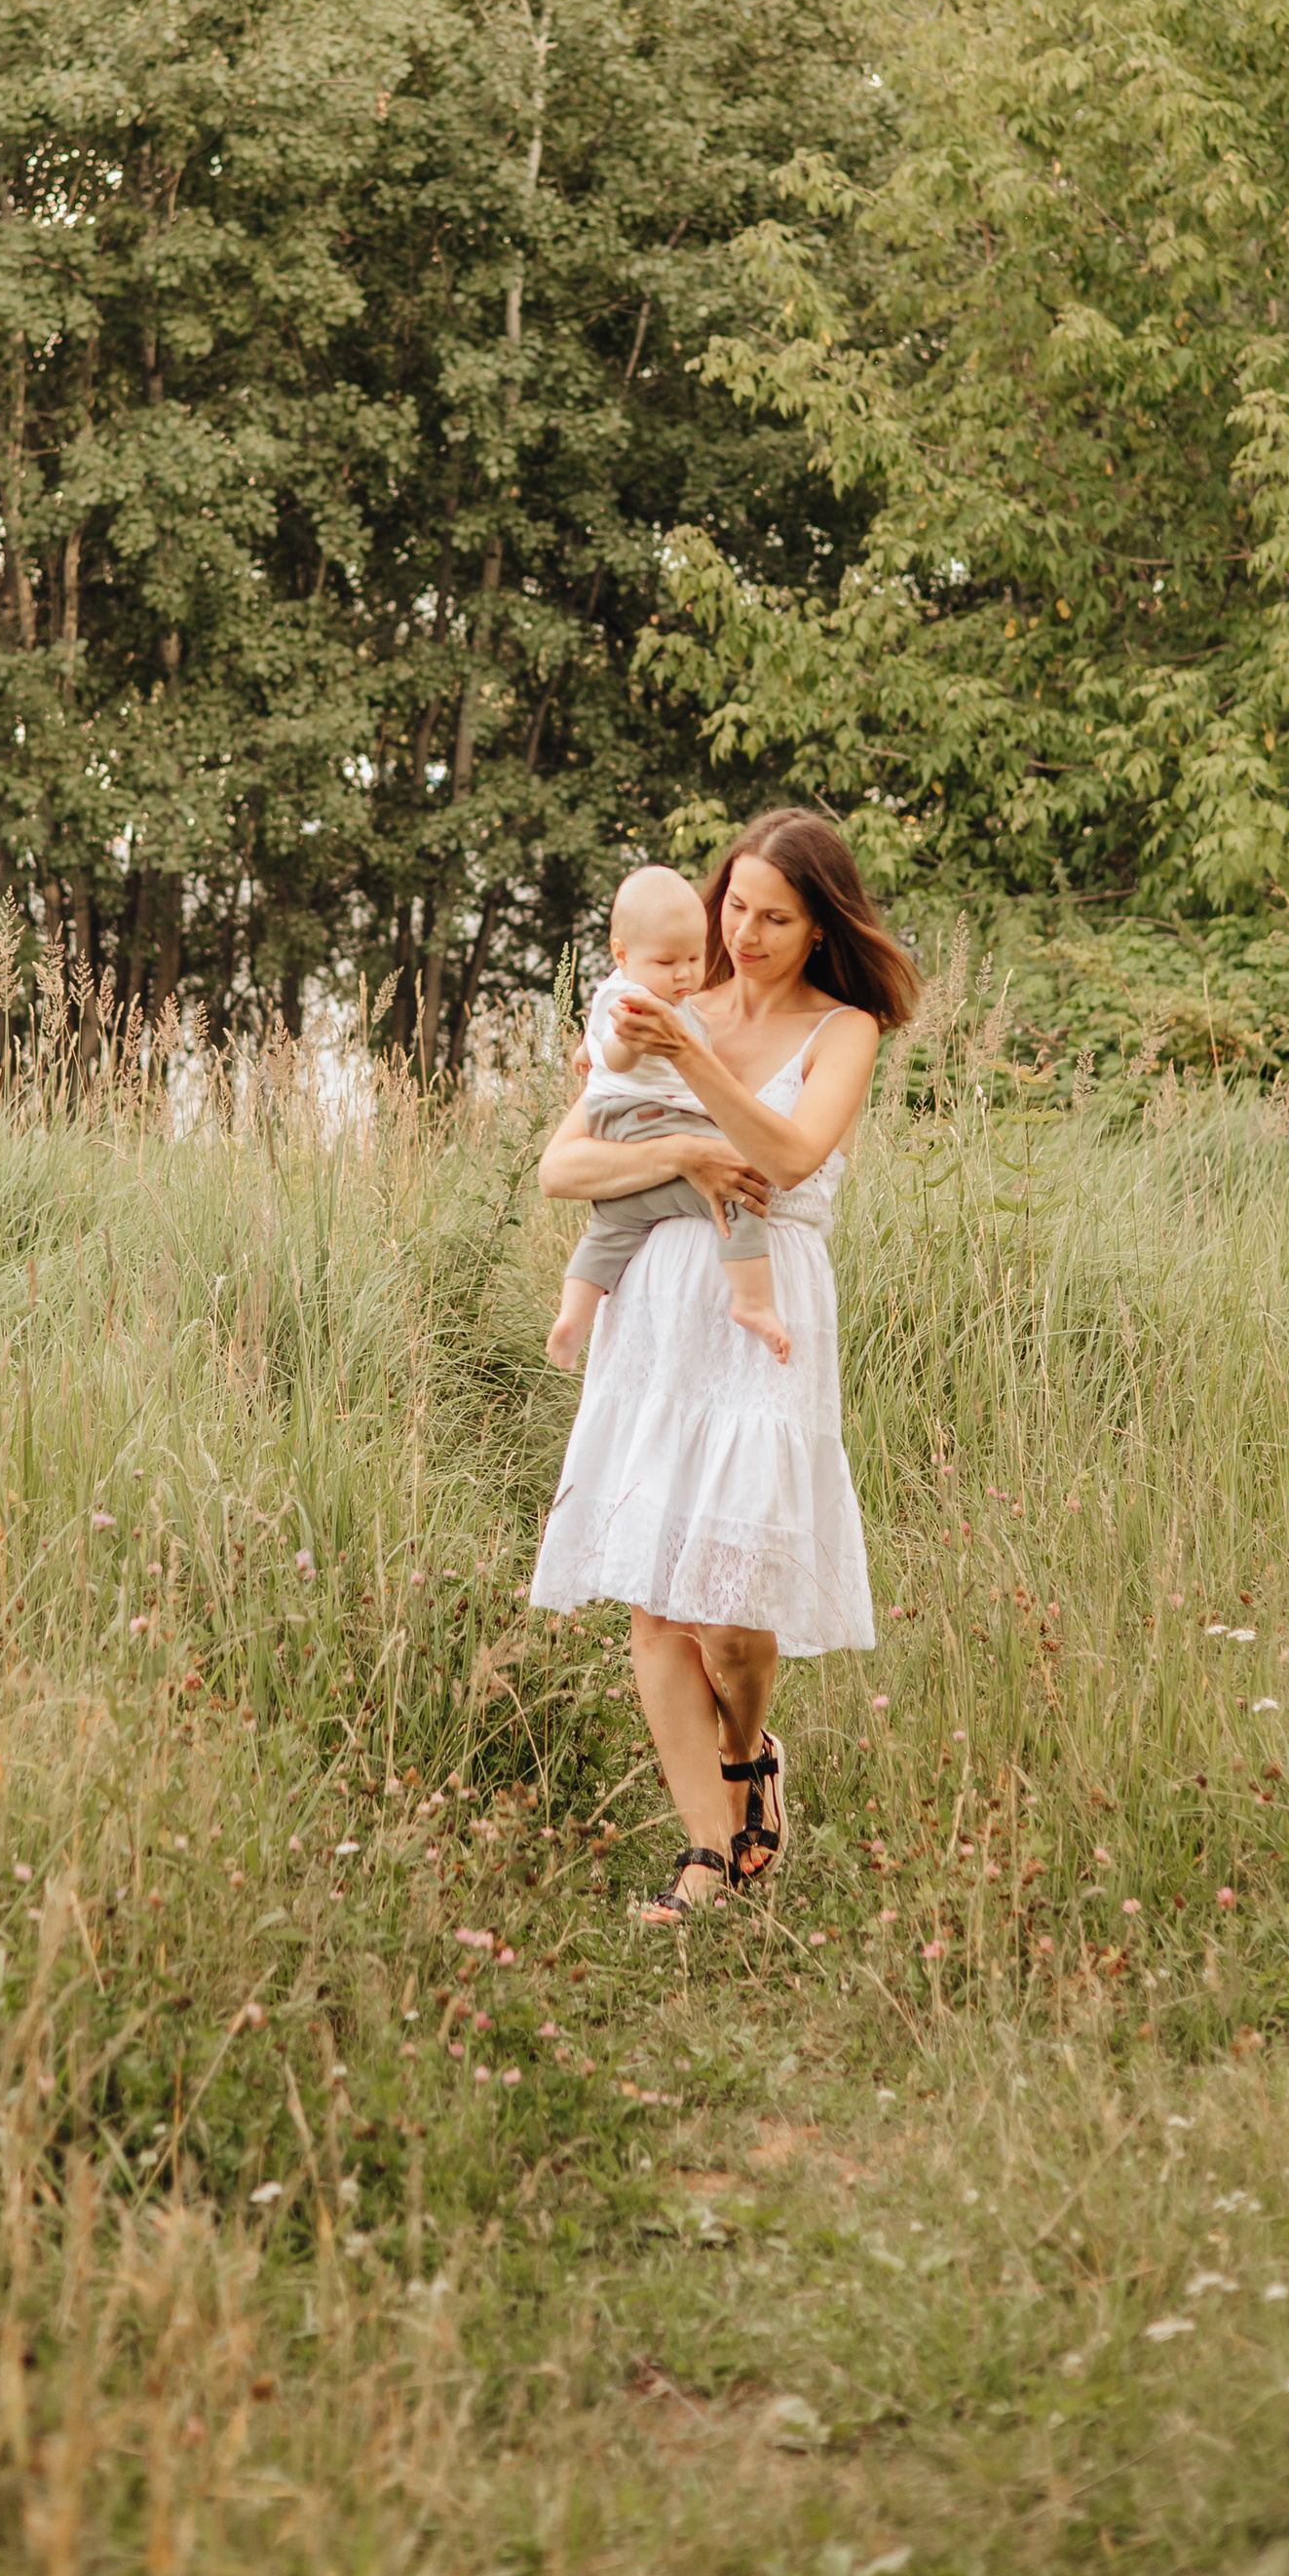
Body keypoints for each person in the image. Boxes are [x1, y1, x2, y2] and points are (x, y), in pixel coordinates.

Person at [527, 810, 920, 1924]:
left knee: (736, 1617)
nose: (743, 932)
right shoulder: (663, 1004)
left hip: (766, 1315)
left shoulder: (841, 1028)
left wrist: (694, 1066)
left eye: (774, 917)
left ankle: (749, 1762)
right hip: (654, 1315)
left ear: (818, 927)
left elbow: (792, 1155)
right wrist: (678, 1152)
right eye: (733, 905)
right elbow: (562, 1168)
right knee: (657, 1605)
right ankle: (707, 1852)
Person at [545, 863, 791, 1375]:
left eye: (694, 958)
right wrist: (620, 1047)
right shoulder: (640, 1004)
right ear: (622, 953)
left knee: (610, 1226)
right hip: (648, 1118)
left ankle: (573, 1318)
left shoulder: (634, 989)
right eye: (667, 961)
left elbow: (598, 1048)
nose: (683, 974)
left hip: (624, 1118)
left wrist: (588, 1052)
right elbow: (618, 1055)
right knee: (737, 1188)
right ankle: (753, 1300)